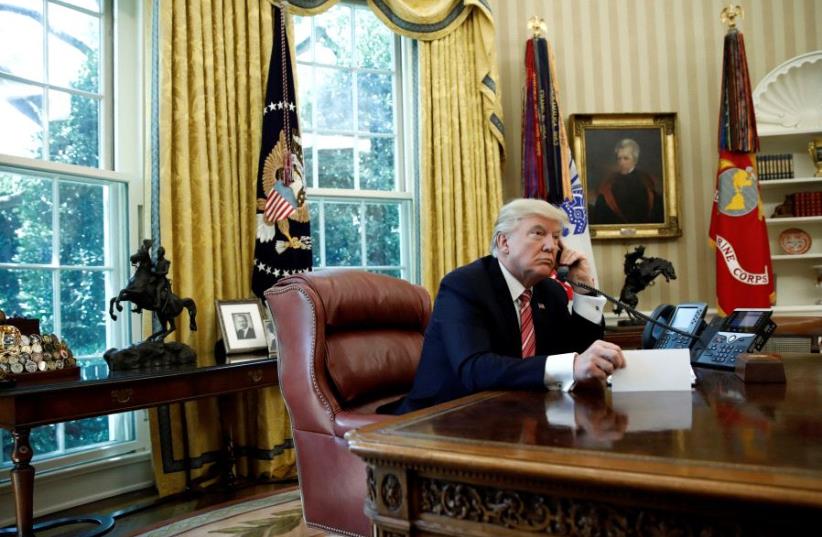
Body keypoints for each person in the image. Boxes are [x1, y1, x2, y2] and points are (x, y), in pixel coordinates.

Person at [389, 198, 625, 415]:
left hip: (516, 413)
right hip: (441, 417)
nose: (550, 247)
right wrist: (572, 364)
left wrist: (583, 291)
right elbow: (475, 369)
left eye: (555, 237)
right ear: (504, 242)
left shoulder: (550, 292)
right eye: (538, 234)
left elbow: (578, 358)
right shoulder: (465, 285)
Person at [591, 139, 663, 225]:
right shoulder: (610, 182)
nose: (621, 162)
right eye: (619, 158)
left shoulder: (645, 181)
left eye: (626, 158)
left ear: (635, 160)